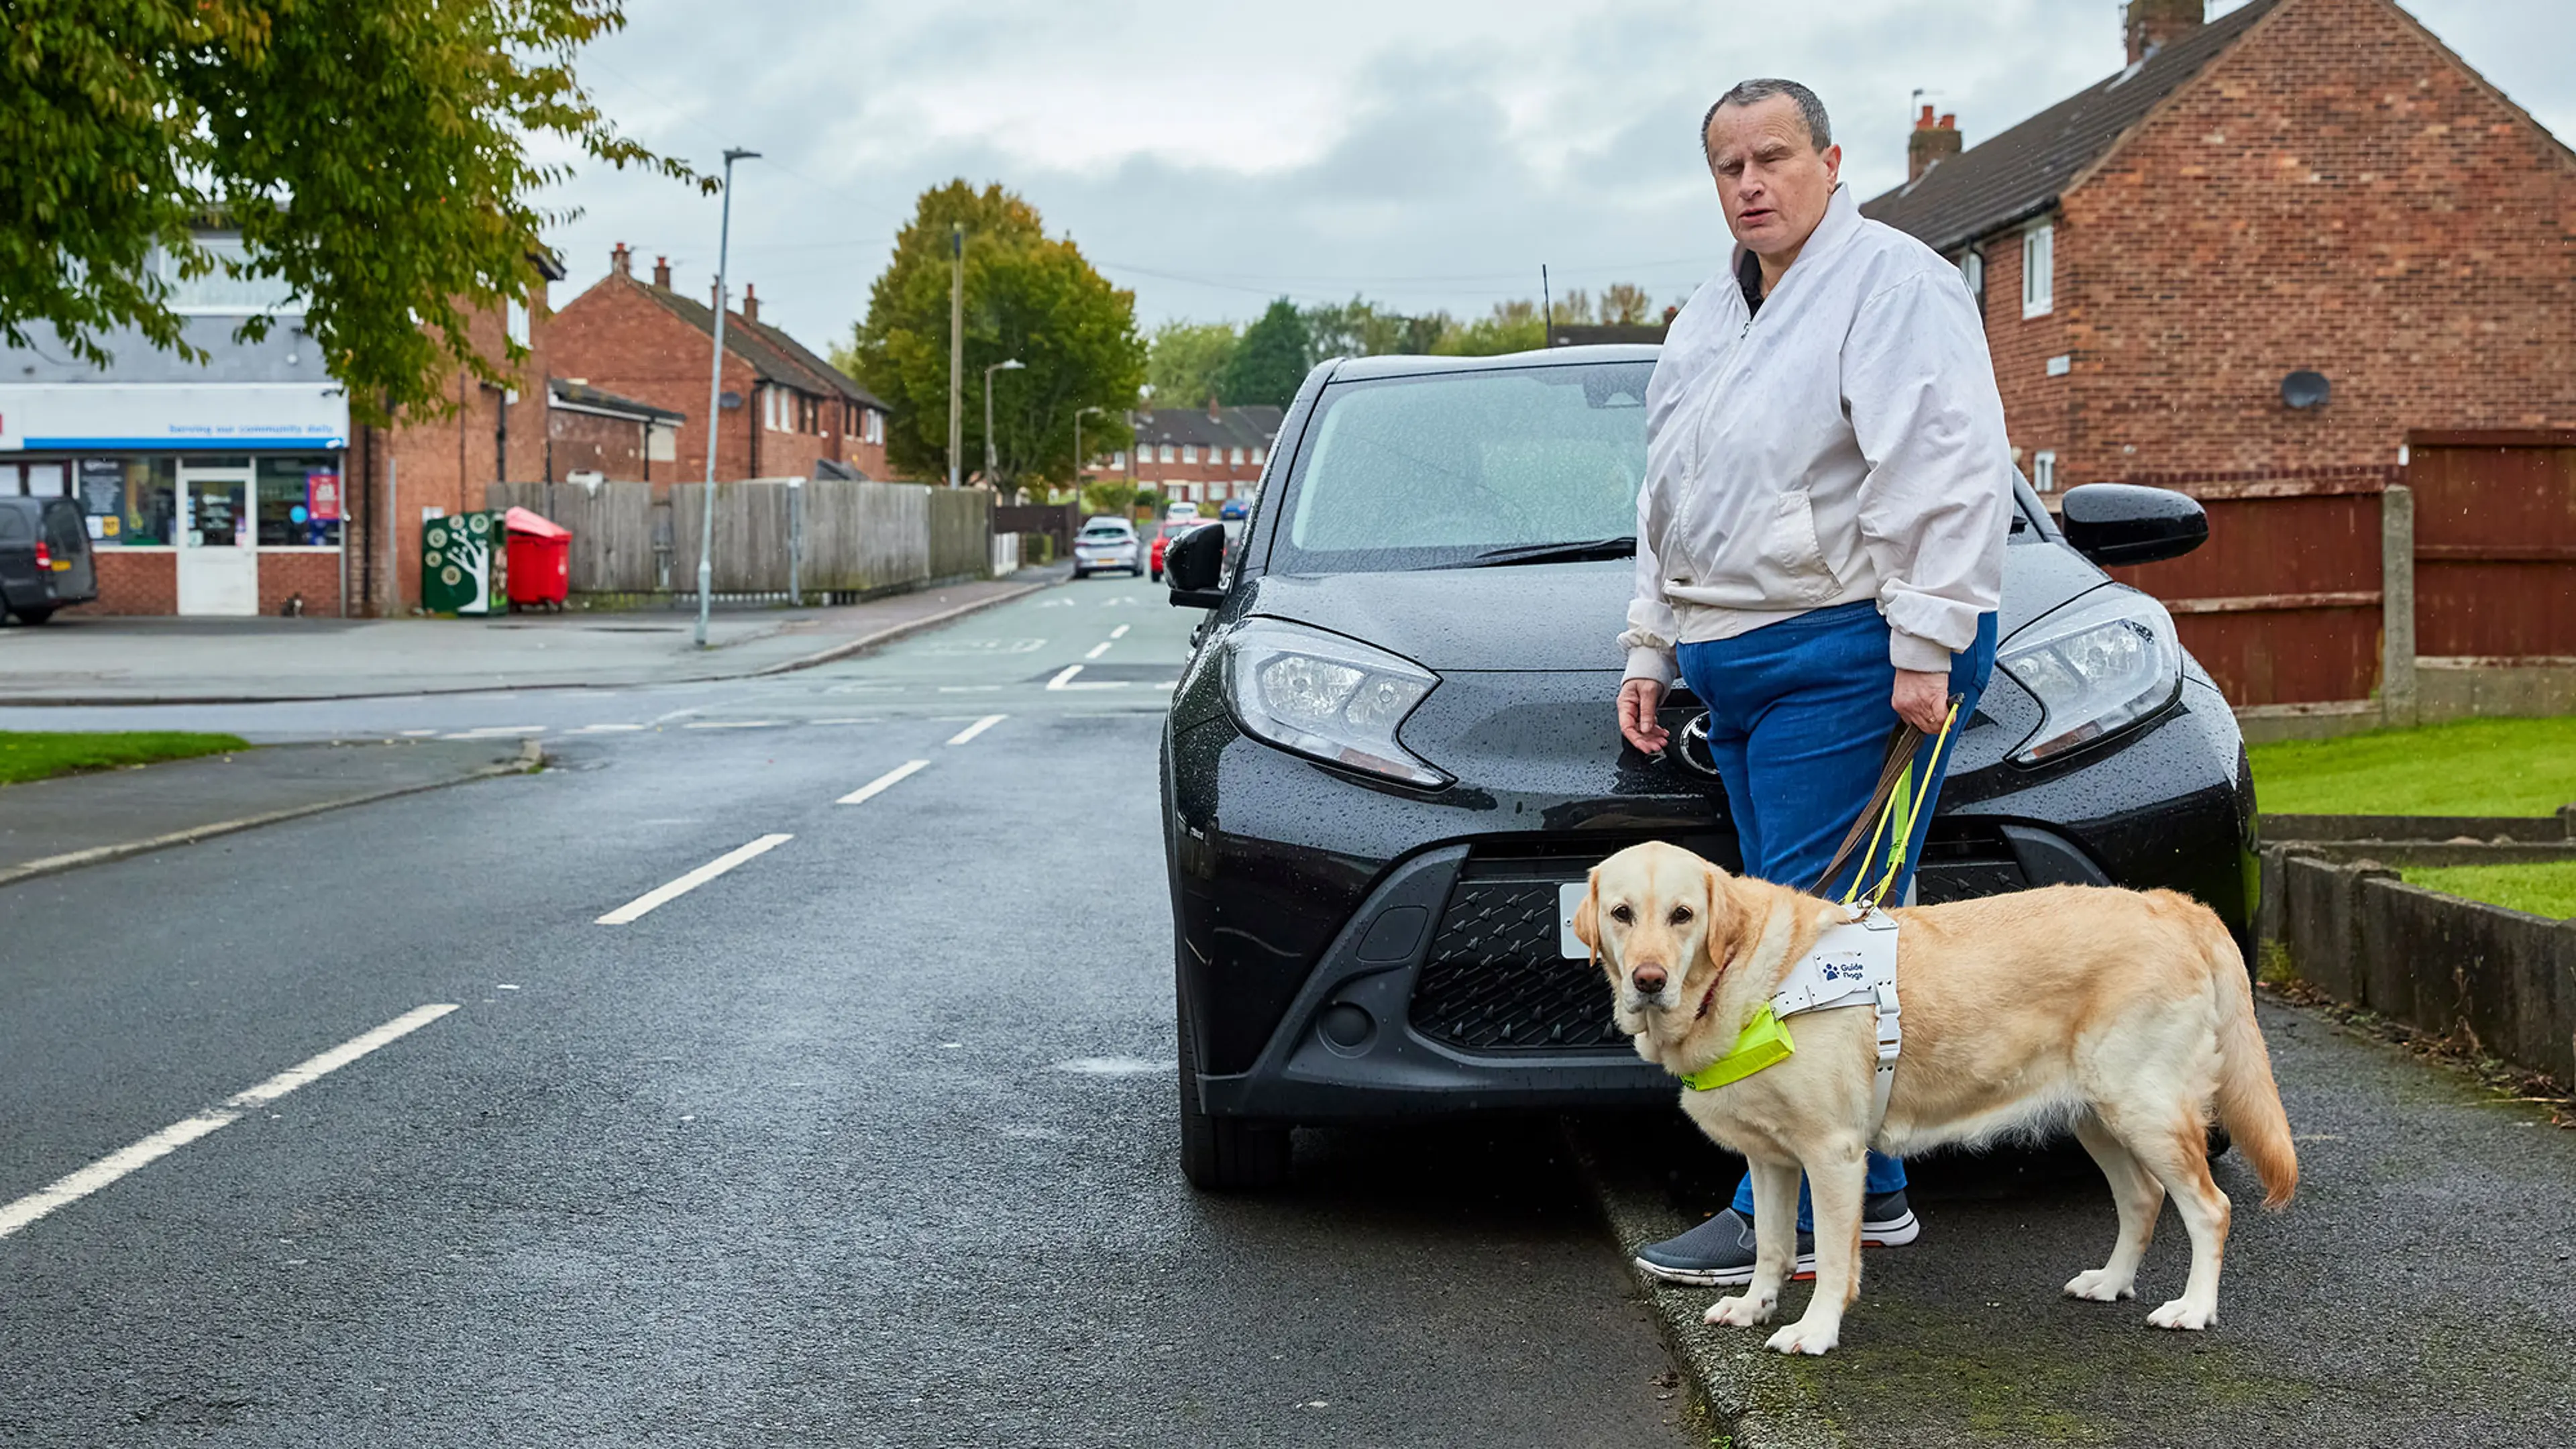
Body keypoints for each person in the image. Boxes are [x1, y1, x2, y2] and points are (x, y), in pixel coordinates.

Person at [1615, 78, 2014, 1287]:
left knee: (1793, 948)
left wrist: (1928, 640)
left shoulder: (1893, 284)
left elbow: (1946, 458)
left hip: (1850, 649)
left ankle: (1771, 1208)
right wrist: (1652, 643)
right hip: (1736, 663)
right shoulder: (1706, 314)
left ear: (1832, 163)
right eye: (1728, 166)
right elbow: (1666, 497)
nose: (1750, 184)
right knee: (1818, 933)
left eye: (1773, 158)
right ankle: (1871, 1189)